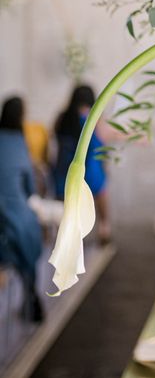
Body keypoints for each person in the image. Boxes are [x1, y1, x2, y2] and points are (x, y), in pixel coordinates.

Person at [0, 96, 44, 322]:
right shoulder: (18, 141)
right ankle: (31, 295)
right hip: (14, 218)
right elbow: (29, 187)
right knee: (28, 232)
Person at [54, 84, 111, 243]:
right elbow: (100, 146)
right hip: (89, 171)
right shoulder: (92, 119)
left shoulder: (62, 118)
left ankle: (67, 236)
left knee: (67, 208)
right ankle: (104, 229)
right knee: (101, 191)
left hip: (64, 170)